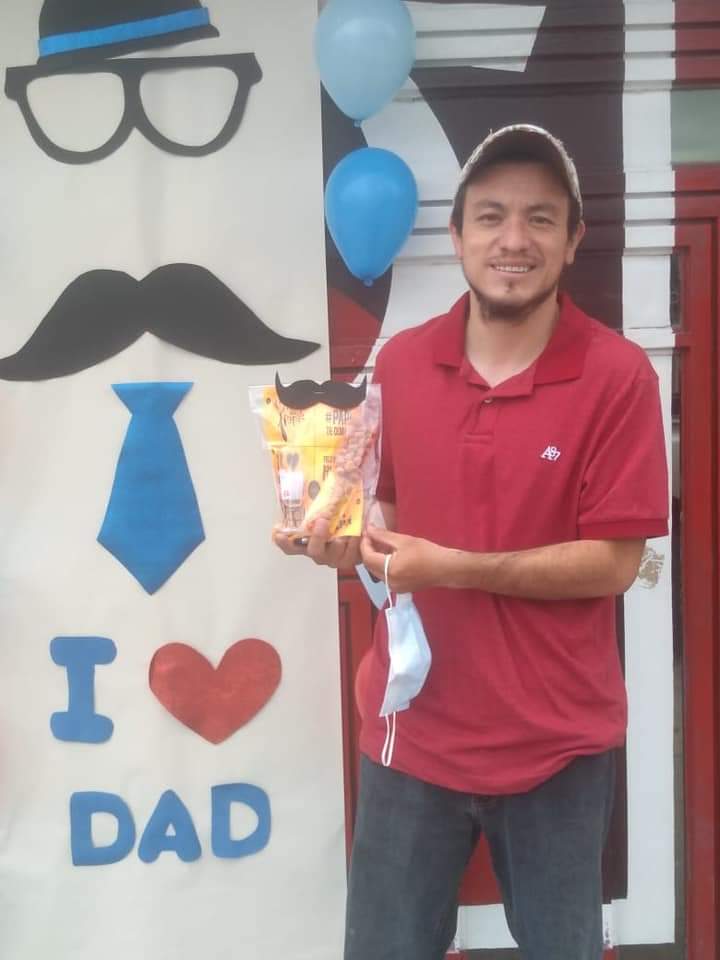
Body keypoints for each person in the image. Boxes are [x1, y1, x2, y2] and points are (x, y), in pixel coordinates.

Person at [274, 124, 669, 960]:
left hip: (557, 745)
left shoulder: (619, 376)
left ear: (573, 240)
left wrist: (454, 568)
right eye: (490, 216)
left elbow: (615, 562)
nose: (513, 239)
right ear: (456, 237)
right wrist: (339, 542)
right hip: (411, 732)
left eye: (539, 218)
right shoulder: (401, 364)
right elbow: (378, 511)